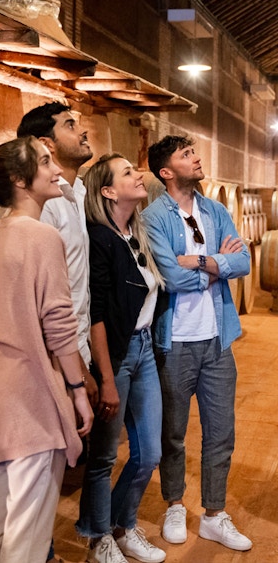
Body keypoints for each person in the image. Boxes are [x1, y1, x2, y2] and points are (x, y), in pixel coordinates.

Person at [0, 136, 94, 563]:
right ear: (19, 180)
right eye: (45, 161)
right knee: (25, 543)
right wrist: (78, 391)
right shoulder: (40, 237)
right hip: (27, 403)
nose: (55, 168)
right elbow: (60, 326)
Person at [141, 135, 252, 552]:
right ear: (166, 171)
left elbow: (241, 263)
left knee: (221, 432)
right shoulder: (153, 217)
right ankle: (174, 504)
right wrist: (215, 268)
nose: (197, 158)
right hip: (174, 342)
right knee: (173, 432)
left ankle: (213, 514)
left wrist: (200, 261)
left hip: (218, 340)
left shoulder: (216, 209)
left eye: (194, 151)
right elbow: (169, 276)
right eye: (186, 154)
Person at [18, 102, 99, 563]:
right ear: (46, 144)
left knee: (51, 466)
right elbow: (46, 297)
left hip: (71, 347)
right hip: (52, 355)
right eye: (71, 125)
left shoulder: (74, 192)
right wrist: (69, 368)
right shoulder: (45, 204)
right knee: (40, 467)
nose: (82, 130)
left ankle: (42, 553)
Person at [76, 153, 167, 563]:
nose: (139, 175)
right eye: (128, 172)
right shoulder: (100, 239)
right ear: (109, 191)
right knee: (104, 455)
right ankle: (100, 538)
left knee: (150, 452)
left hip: (144, 348)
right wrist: (107, 377)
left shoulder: (136, 234)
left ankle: (121, 524)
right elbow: (95, 314)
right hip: (117, 353)